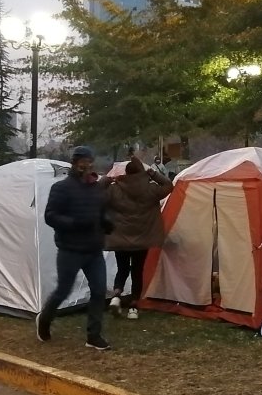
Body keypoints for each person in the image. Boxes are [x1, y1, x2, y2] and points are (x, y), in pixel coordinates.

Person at [35, 145, 114, 351]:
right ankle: (44, 319)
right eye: (82, 162)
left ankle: (93, 336)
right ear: (74, 163)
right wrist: (74, 223)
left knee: (98, 291)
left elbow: (101, 212)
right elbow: (50, 216)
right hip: (70, 249)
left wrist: (106, 222)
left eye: (89, 162)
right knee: (63, 290)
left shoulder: (97, 188)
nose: (86, 166)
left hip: (94, 249)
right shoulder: (61, 188)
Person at [105, 155, 174, 319]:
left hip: (120, 238)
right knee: (137, 271)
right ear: (142, 173)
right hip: (142, 238)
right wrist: (152, 173)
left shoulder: (115, 189)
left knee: (122, 269)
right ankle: (133, 307)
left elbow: (98, 194)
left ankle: (116, 296)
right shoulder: (150, 189)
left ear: (126, 173)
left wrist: (109, 179)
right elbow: (169, 185)